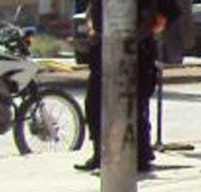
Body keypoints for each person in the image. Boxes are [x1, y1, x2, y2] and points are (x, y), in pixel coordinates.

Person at [75, 0, 182, 172]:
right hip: (104, 52)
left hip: (137, 54)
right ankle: (100, 153)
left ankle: (140, 156)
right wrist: (92, 30)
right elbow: (91, 10)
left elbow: (162, 16)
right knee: (95, 105)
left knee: (134, 107)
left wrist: (137, 37)